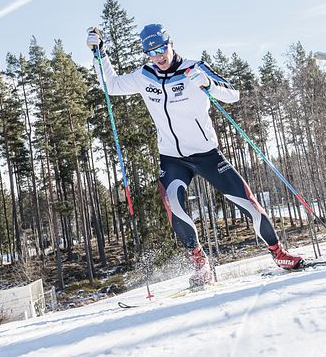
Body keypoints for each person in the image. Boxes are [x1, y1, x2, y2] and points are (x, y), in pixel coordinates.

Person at [87, 24, 303, 287]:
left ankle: (279, 254)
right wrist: (100, 52)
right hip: (172, 158)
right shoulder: (145, 76)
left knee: (248, 203)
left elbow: (233, 94)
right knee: (174, 206)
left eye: (161, 48)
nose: (158, 56)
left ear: (171, 43)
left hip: (207, 154)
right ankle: (200, 263)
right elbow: (111, 86)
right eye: (151, 51)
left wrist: (208, 84)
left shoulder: (194, 68)